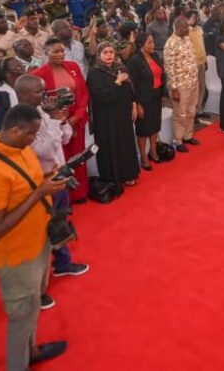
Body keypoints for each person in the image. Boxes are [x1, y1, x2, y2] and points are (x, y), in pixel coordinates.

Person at [0, 104, 68, 371]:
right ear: (14, 130)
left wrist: (47, 179)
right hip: (16, 256)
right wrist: (39, 193)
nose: (34, 139)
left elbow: (26, 186)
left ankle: (31, 351)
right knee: (21, 317)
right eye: (31, 134)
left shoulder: (21, 150)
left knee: (33, 306)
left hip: (38, 243)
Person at [14, 75, 89, 280]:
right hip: (42, 183)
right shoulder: (20, 120)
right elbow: (43, 151)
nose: (44, 95)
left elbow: (65, 138)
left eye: (43, 90)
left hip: (59, 177)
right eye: (38, 92)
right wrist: (55, 120)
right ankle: (39, 278)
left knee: (59, 223)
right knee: (43, 230)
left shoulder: (43, 112)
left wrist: (60, 120)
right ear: (22, 94)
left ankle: (62, 264)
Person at [31, 38, 90, 202]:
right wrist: (59, 119)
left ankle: (80, 192)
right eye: (55, 51)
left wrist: (76, 117)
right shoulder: (38, 75)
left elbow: (83, 93)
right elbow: (38, 102)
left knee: (78, 157)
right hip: (54, 124)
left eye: (62, 51)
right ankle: (64, 197)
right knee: (59, 159)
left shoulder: (73, 67)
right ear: (46, 53)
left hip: (76, 121)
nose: (60, 54)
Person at [87, 43, 142, 179]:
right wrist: (117, 82)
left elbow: (130, 88)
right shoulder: (94, 73)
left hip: (123, 115)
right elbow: (103, 97)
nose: (109, 55)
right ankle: (113, 178)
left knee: (125, 144)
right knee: (110, 146)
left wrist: (133, 104)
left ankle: (128, 175)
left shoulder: (121, 68)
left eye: (111, 52)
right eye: (105, 52)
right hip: (106, 119)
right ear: (99, 55)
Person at [127, 32, 166, 164]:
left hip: (156, 97)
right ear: (140, 45)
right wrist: (137, 104)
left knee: (155, 127)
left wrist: (162, 94)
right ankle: (143, 157)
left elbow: (161, 75)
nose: (153, 45)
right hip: (143, 100)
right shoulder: (134, 61)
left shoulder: (155, 56)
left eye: (153, 42)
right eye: (149, 42)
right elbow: (132, 85)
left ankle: (153, 151)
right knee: (143, 130)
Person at [163, 16, 199, 152]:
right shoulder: (171, 43)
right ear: (178, 28)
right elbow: (169, 68)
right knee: (180, 114)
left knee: (191, 110)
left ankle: (187, 136)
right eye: (185, 27)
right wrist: (174, 89)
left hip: (193, 82)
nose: (188, 29)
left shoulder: (187, 39)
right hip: (180, 86)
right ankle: (178, 140)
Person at [0, 57, 25, 133]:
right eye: (18, 68)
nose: (23, 71)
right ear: (8, 74)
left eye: (22, 66)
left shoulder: (26, 88)